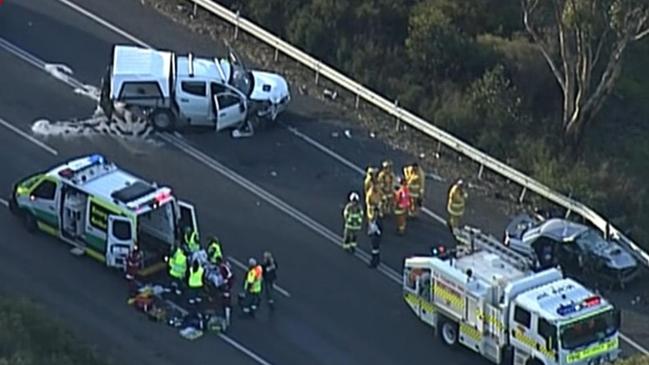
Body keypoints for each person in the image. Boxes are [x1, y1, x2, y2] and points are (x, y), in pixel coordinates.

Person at [217, 257, 234, 325]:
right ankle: (226, 317)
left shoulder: (223, 268)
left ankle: (227, 319)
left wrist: (224, 282)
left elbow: (227, 277)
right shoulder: (225, 266)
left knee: (226, 302)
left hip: (226, 285)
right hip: (227, 285)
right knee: (225, 301)